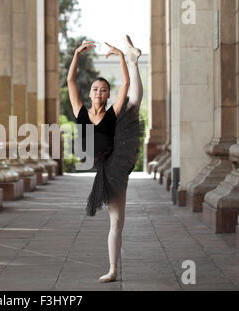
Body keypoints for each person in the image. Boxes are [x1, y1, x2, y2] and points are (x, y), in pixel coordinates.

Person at [67, 35, 143, 283]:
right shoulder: (80, 111)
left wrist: (121, 56)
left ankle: (112, 268)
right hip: (103, 167)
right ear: (90, 93)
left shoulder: (112, 112)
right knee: (116, 220)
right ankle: (113, 269)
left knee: (117, 220)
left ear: (107, 95)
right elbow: (70, 81)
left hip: (117, 162)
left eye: (103, 89)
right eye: (95, 89)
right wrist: (77, 54)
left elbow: (126, 84)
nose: (99, 92)